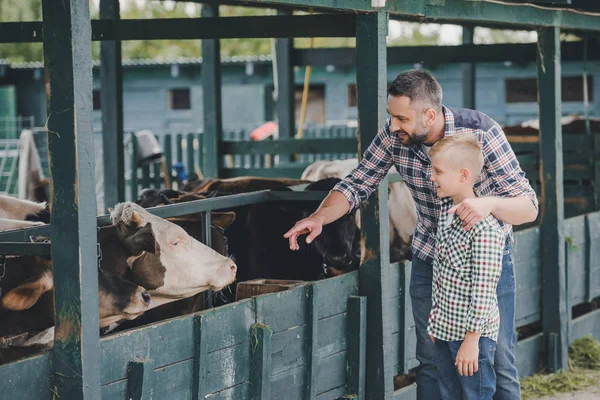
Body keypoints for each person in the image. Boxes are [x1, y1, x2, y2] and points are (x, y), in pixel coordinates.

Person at [283, 69, 538, 400]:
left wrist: (486, 203)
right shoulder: (395, 137)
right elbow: (358, 182)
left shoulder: (481, 133)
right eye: (392, 116)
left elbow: (528, 206)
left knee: (496, 356)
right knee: (431, 359)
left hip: (484, 261)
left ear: (429, 115)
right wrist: (318, 218)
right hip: (430, 258)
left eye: (401, 118)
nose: (393, 126)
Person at [427, 133, 505, 399]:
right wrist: (435, 321)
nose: (431, 177)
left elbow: (483, 289)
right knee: (448, 393)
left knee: (476, 395)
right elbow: (442, 275)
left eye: (437, 171)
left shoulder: (484, 229)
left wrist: (472, 340)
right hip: (445, 329)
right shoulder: (447, 215)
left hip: (473, 337)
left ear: (463, 175)